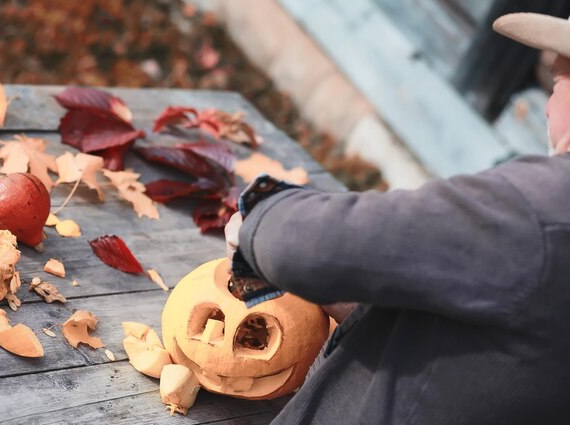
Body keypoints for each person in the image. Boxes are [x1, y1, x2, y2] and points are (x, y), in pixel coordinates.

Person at [224, 13, 570, 425]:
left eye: (558, 84)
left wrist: (260, 218)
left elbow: (304, 245)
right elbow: (492, 356)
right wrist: (358, 305)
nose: (547, 110)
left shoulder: (545, 207)